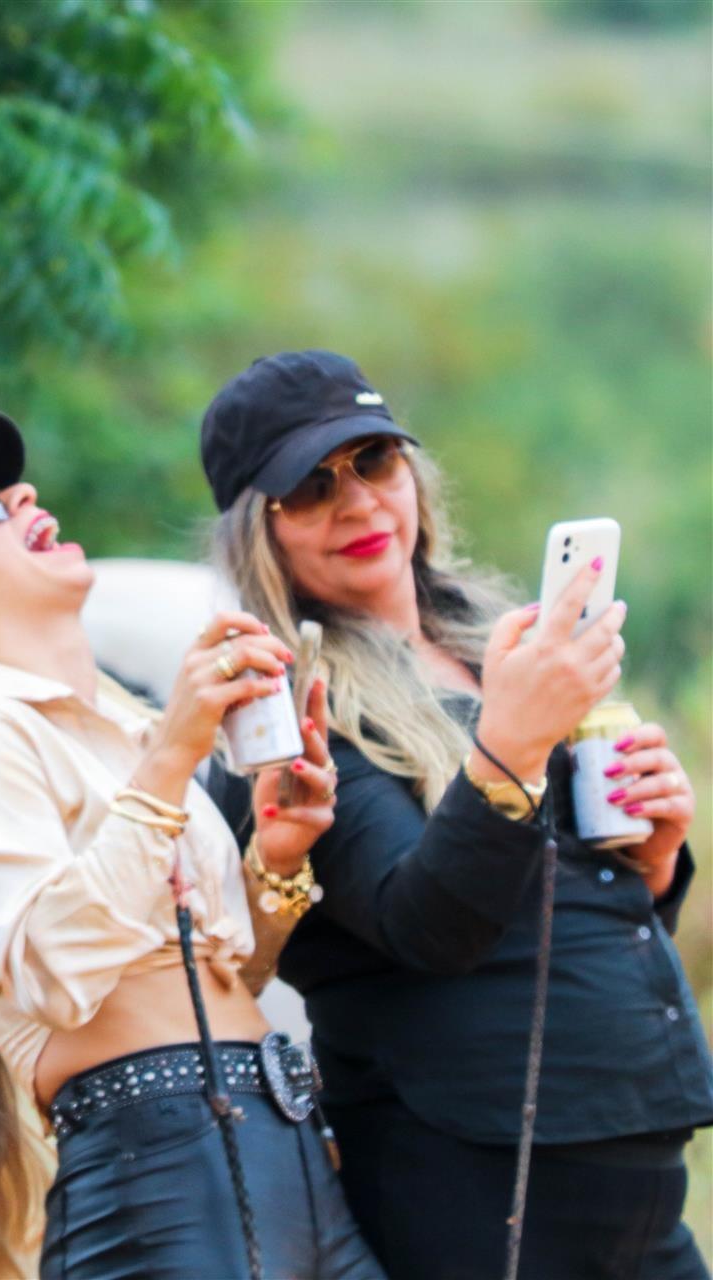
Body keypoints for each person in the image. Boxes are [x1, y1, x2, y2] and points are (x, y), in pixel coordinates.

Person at [201, 349, 712, 1279]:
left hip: (630, 1159)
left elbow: (561, 917)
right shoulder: (292, 710)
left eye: (375, 462)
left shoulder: (498, 639)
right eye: (312, 488)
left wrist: (656, 864)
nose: (360, 504)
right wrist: (513, 747)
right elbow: (428, 927)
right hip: (473, 1177)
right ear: (256, 533)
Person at [0, 411, 383, 1280]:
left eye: (12, 487)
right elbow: (54, 968)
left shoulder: (128, 724)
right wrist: (174, 758)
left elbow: (220, 980)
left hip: (277, 1134)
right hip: (164, 1167)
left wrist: (277, 859)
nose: (22, 496)